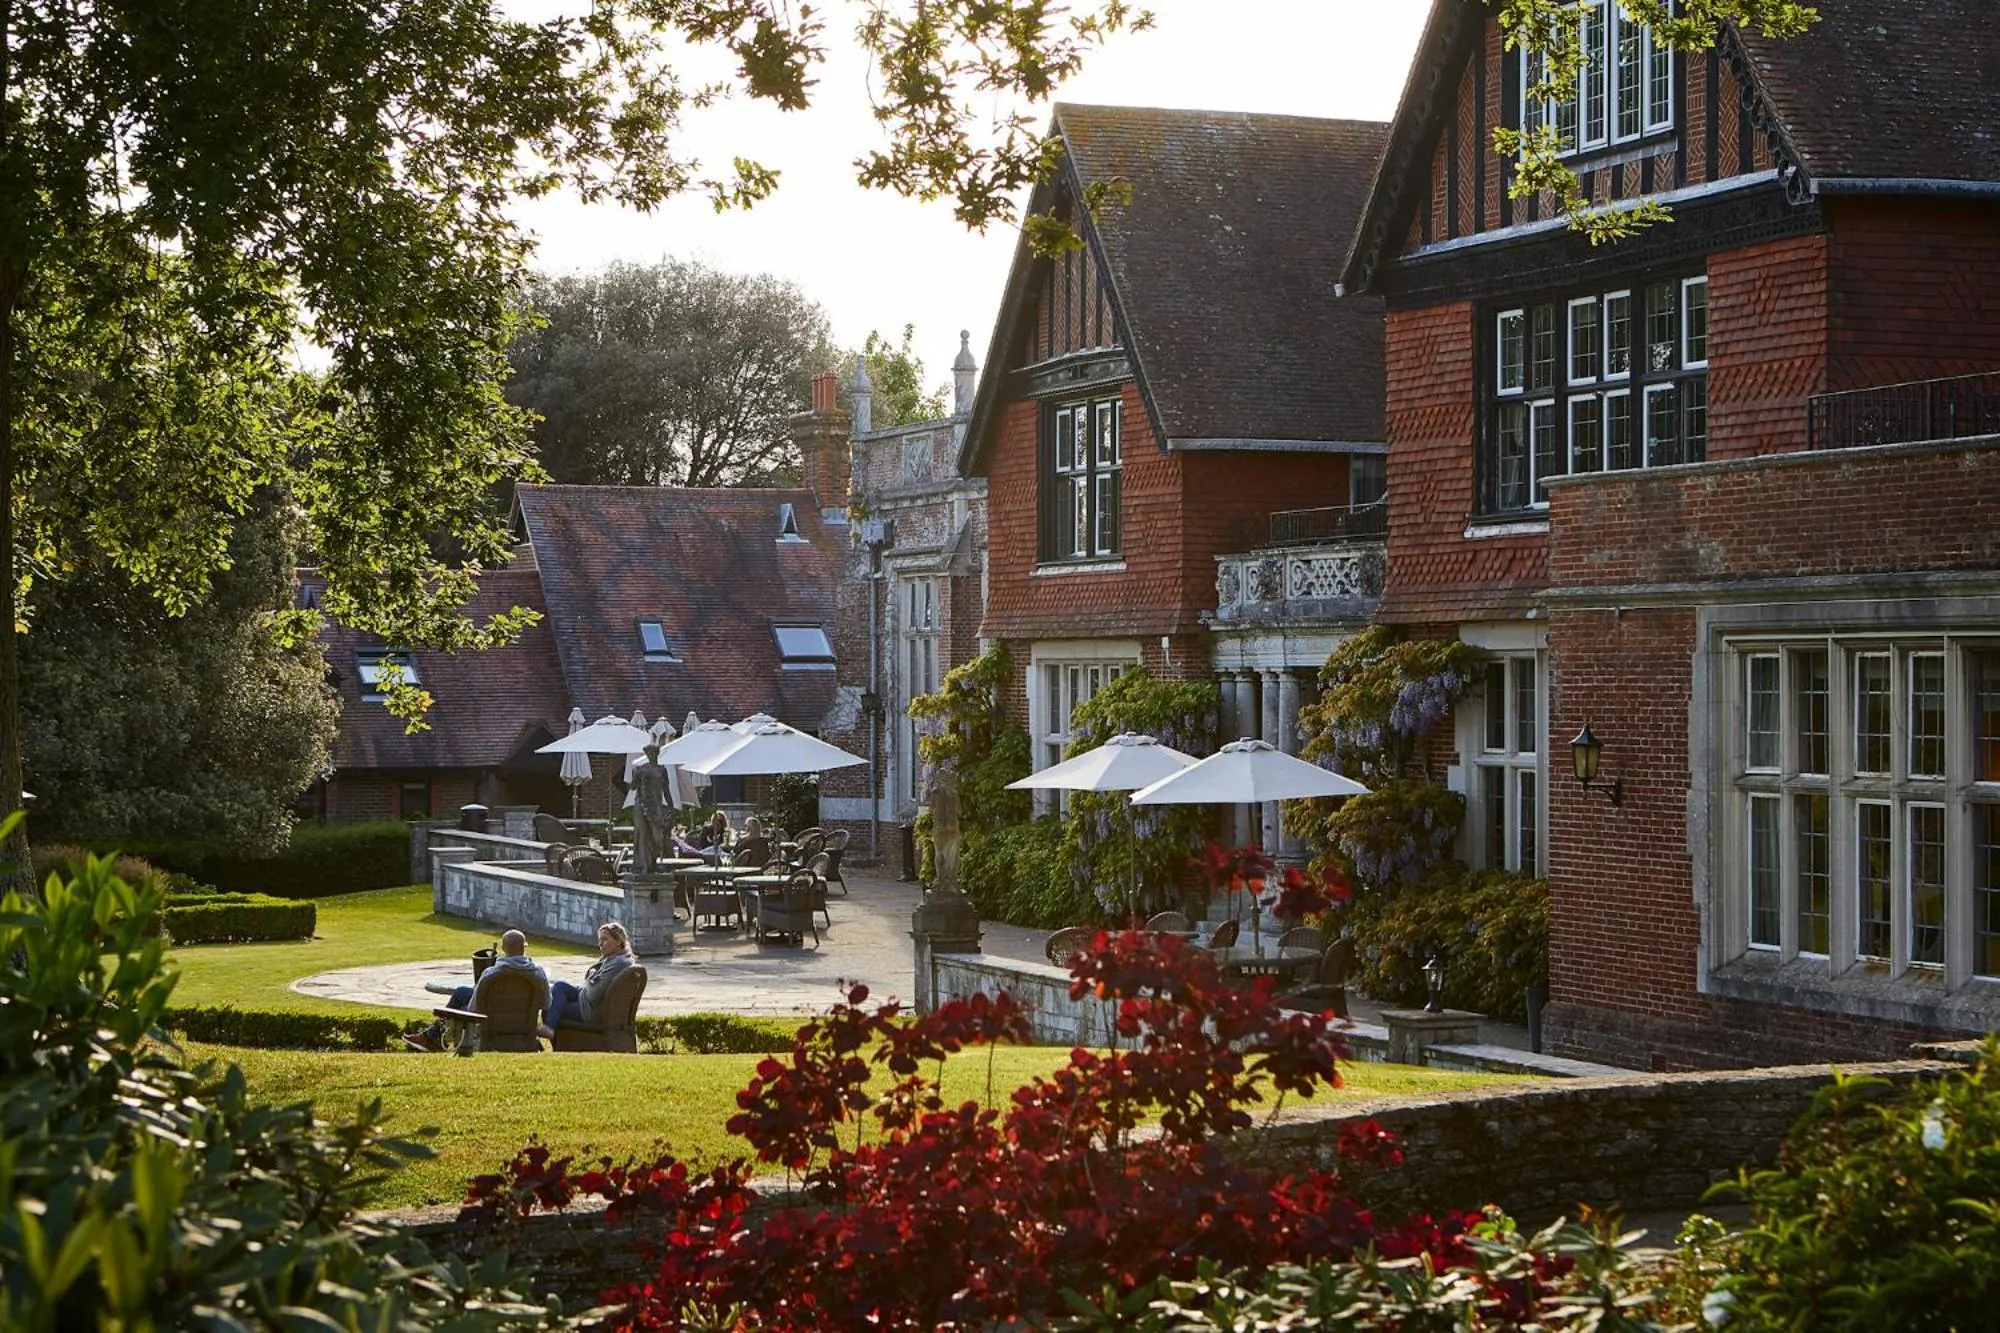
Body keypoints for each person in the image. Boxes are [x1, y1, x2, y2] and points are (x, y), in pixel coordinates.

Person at [403, 929, 549, 1052]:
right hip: (523, 1023)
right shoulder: (538, 973)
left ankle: (431, 1038)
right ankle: (430, 1037)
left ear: (503, 949)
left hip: (491, 1023)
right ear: (524, 948)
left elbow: (474, 1009)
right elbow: (546, 1003)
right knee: (461, 992)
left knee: (460, 1001)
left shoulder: (490, 974)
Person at [538, 921, 638, 1038]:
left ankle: (551, 1031)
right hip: (591, 1004)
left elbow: (593, 995)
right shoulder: (617, 959)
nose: (600, 944)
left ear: (619, 941)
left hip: (592, 1012)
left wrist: (591, 975)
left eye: (605, 939)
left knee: (550, 1009)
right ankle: (549, 1028)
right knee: (560, 986)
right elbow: (592, 987)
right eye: (599, 940)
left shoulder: (618, 963)